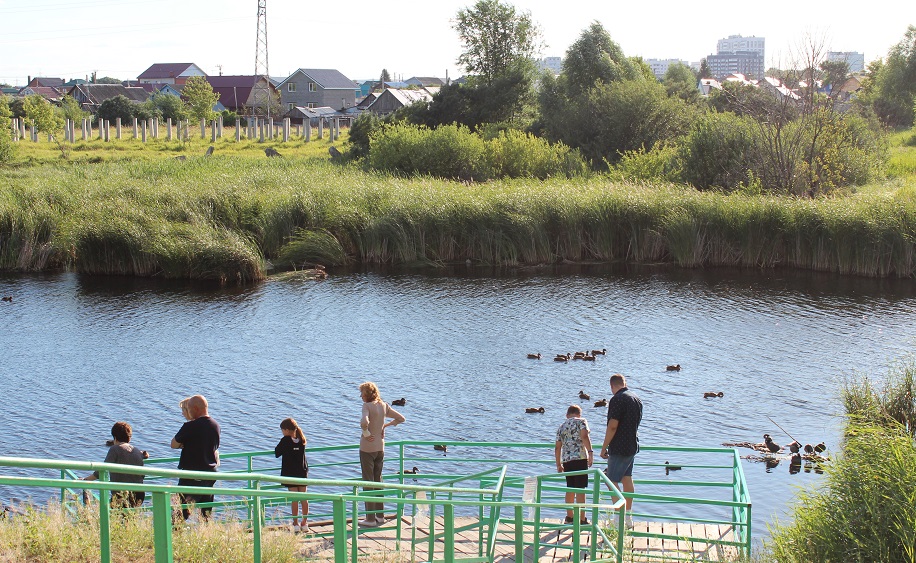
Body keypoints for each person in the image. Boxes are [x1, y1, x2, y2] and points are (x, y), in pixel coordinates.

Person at [358, 381, 405, 528]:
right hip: (380, 448)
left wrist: (366, 432)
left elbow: (364, 421)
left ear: (367, 394)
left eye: (362, 394)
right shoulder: (384, 405)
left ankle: (370, 519)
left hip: (367, 448)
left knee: (368, 482)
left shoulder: (367, 406)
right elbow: (401, 418)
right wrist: (385, 425)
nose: (361, 396)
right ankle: (380, 516)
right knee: (378, 481)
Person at [599, 373, 642, 529]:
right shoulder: (636, 398)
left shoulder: (617, 399)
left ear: (612, 386)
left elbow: (612, 426)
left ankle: (618, 519)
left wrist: (604, 447)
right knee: (627, 479)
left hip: (619, 446)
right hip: (632, 445)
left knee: (610, 480)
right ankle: (628, 518)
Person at [171, 394, 220, 521]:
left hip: (192, 475)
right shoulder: (216, 425)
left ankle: (173, 536)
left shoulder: (190, 427)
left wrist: (184, 444)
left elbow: (173, 444)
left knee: (179, 513)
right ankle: (205, 534)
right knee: (205, 513)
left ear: (196, 409)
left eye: (189, 408)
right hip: (210, 475)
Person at [82, 421, 148, 508]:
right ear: (130, 438)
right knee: (128, 517)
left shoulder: (115, 449)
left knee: (114, 517)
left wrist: (86, 480)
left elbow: (102, 469)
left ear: (115, 438)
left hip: (122, 494)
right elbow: (143, 456)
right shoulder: (136, 450)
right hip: (139, 493)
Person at [555, 405, 594, 524]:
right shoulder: (581, 421)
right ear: (579, 414)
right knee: (580, 489)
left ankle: (569, 517)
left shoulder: (561, 426)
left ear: (567, 415)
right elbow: (584, 436)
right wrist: (590, 452)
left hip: (566, 460)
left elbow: (557, 447)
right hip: (580, 458)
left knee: (570, 488)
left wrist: (558, 464)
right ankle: (582, 519)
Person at [275, 417, 310, 533]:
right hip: (302, 472)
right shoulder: (301, 439)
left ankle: (295, 524)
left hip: (290, 473)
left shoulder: (285, 440)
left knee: (294, 499)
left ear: (286, 430)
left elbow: (277, 452)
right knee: (304, 498)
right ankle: (304, 523)